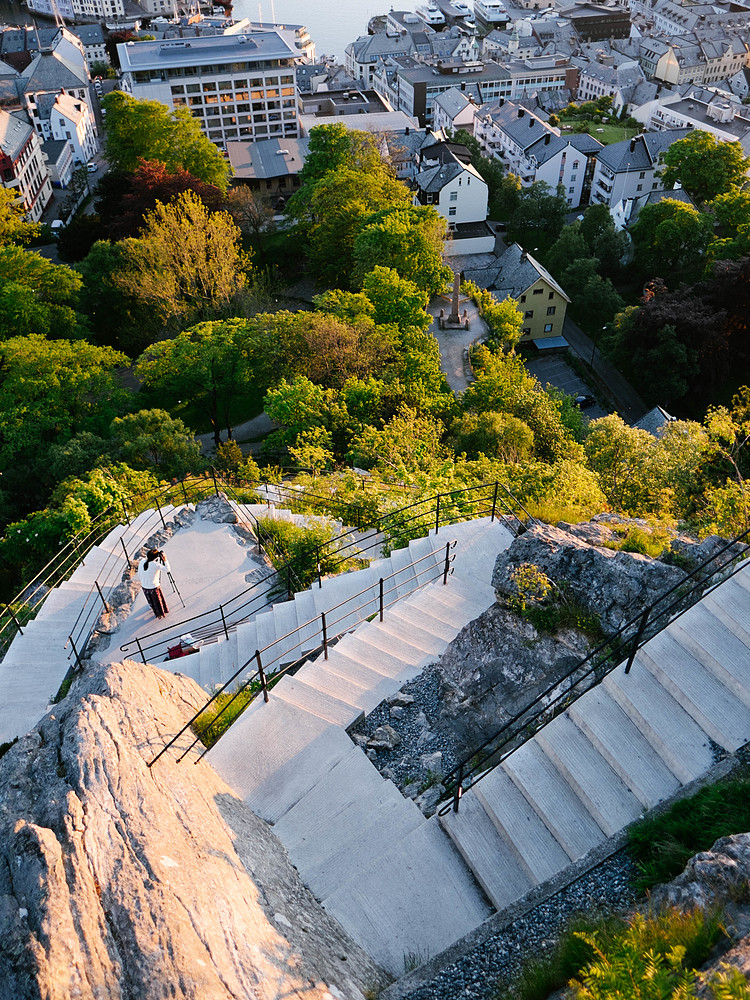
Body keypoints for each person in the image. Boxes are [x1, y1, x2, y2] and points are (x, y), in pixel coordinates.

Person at [138, 548, 170, 620]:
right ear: (156, 557)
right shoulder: (156, 565)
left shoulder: (142, 562)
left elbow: (139, 574)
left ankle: (151, 606)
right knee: (157, 600)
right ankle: (160, 611)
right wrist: (165, 560)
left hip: (144, 587)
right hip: (154, 587)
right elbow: (167, 569)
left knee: (150, 599)